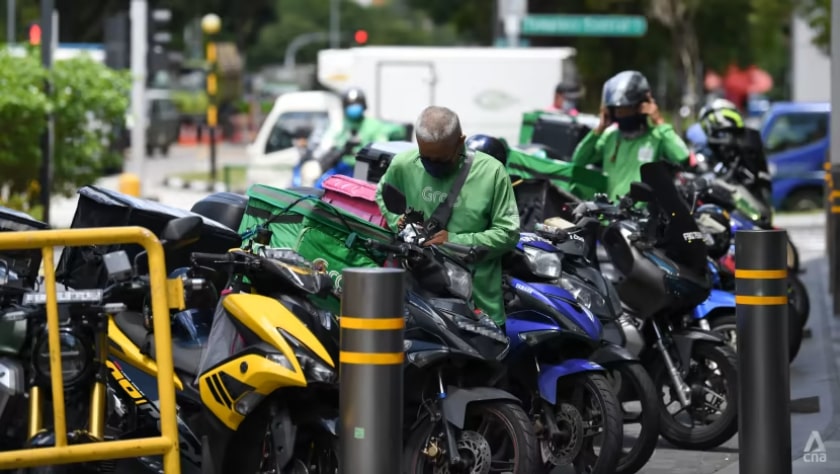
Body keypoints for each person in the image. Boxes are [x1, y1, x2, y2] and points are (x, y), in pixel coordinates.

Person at [375, 106, 521, 326]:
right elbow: (382, 193)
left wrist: (453, 241)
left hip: (477, 309)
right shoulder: (404, 165)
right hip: (419, 303)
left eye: (442, 160)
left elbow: (508, 233)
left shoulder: (491, 173)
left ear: (460, 141)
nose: (433, 166)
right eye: (426, 159)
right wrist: (402, 225)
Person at [571, 70, 690, 200]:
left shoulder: (656, 137)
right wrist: (599, 130)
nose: (620, 114)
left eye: (626, 109)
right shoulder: (610, 137)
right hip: (612, 214)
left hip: (643, 216)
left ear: (642, 106)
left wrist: (659, 122)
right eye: (616, 110)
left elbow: (682, 156)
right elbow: (578, 160)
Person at [330, 87, 409, 167]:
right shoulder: (340, 125)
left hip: (363, 166)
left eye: (357, 103)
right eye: (350, 104)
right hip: (343, 166)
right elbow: (331, 144)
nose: (354, 107)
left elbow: (379, 148)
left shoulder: (374, 125)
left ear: (363, 105)